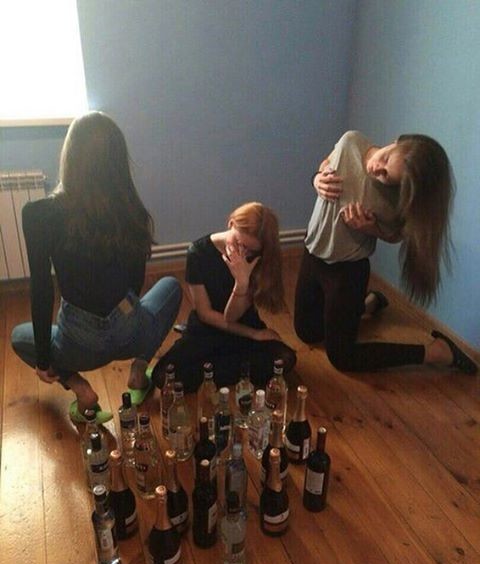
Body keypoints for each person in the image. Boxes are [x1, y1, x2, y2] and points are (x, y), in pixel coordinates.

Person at [11, 112, 183, 423]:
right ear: (117, 162)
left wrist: (45, 360)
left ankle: (80, 388)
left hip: (78, 345)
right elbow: (135, 283)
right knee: (170, 286)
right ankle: (138, 371)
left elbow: (42, 290)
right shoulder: (131, 209)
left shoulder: (38, 214)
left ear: (70, 156)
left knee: (19, 336)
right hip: (129, 330)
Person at [294, 130, 477, 374]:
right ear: (395, 142)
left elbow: (394, 235)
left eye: (386, 176)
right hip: (312, 253)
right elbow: (326, 163)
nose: (377, 170)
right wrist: (317, 180)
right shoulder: (351, 142)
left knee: (342, 357)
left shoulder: (396, 199)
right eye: (386, 158)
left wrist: (371, 228)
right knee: (307, 333)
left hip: (347, 271)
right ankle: (367, 304)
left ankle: (438, 351)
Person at [152, 201, 296, 392]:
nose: (243, 252)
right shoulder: (198, 252)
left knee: (286, 359)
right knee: (162, 376)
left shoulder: (257, 256)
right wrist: (254, 334)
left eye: (251, 250)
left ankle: (211, 372)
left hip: (243, 325)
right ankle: (237, 371)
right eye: (239, 243)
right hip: (207, 329)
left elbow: (232, 316)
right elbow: (205, 314)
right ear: (231, 224)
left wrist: (241, 283)